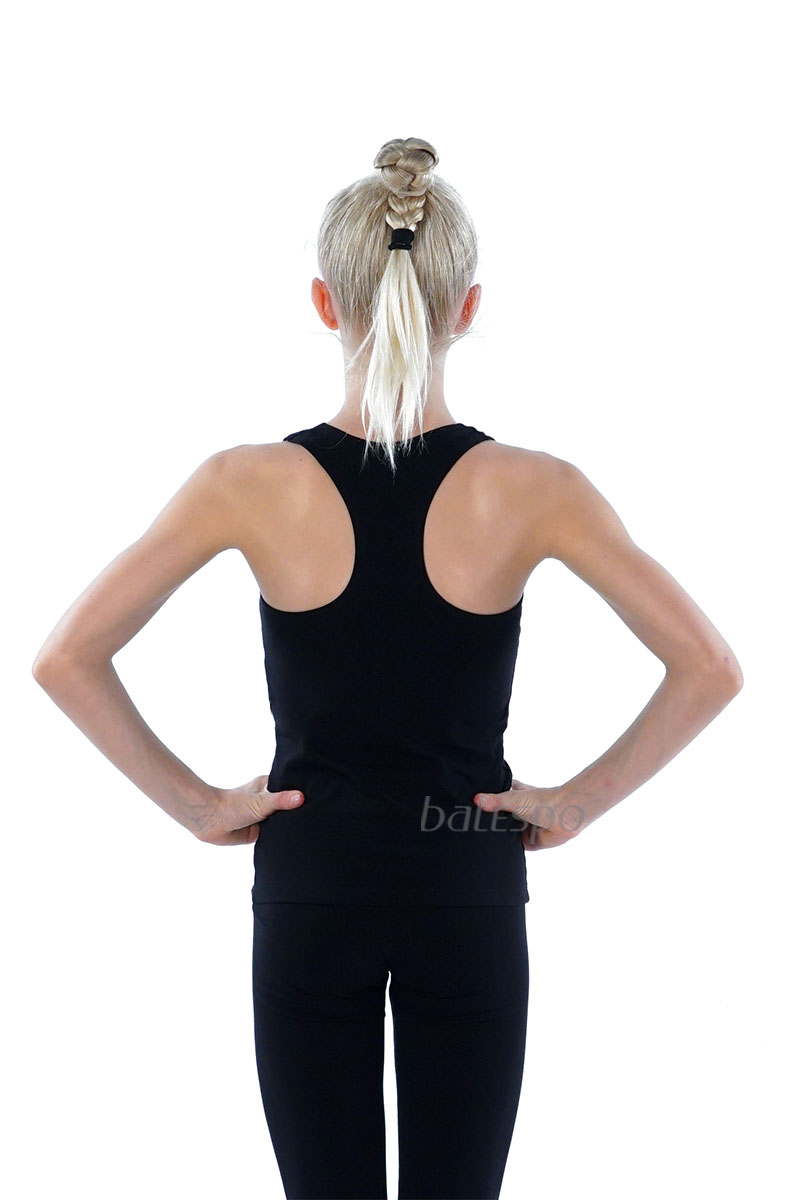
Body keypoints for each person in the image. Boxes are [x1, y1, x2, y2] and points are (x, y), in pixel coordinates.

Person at [32, 136, 744, 1200]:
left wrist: (197, 807)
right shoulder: (535, 489)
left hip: (310, 890)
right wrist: (573, 806)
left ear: (326, 303)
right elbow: (707, 667)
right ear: (466, 308)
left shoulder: (245, 484)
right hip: (466, 882)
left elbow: (67, 657)